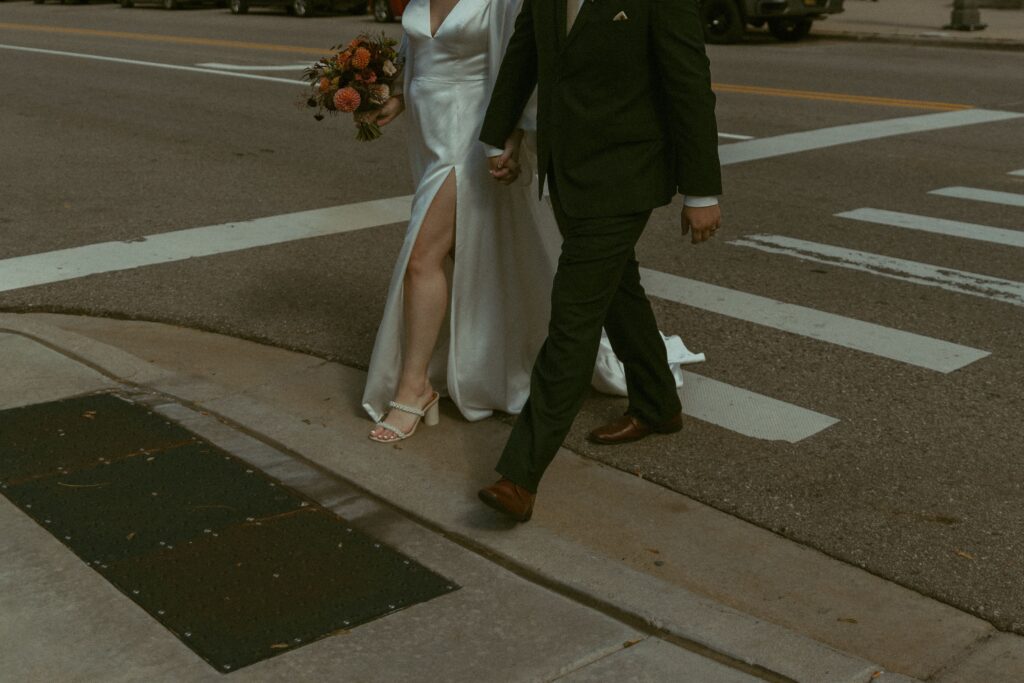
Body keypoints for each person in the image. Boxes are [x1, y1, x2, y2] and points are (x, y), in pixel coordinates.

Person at [361, 0, 704, 443]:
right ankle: (475, 358)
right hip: (429, 133)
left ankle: (415, 389)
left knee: (422, 255)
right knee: (458, 257)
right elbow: (417, 48)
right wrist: (393, 95)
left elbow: (521, 56)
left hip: (470, 134)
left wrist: (511, 132)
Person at [476, 0, 723, 522]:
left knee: (573, 319)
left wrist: (700, 192)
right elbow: (523, 57)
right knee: (616, 289)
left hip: (626, 173)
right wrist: (498, 136)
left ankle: (520, 476)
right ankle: (658, 404)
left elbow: (689, 86)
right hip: (566, 171)